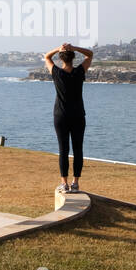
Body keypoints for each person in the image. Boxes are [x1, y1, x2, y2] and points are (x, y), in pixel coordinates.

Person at [43, 42, 92, 193]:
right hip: (78, 116)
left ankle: (64, 183)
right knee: (78, 149)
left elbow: (46, 56)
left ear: (61, 59)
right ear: (73, 58)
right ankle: (75, 183)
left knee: (63, 149)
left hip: (61, 116)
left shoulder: (57, 73)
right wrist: (74, 48)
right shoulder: (79, 72)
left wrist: (59, 48)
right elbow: (90, 54)